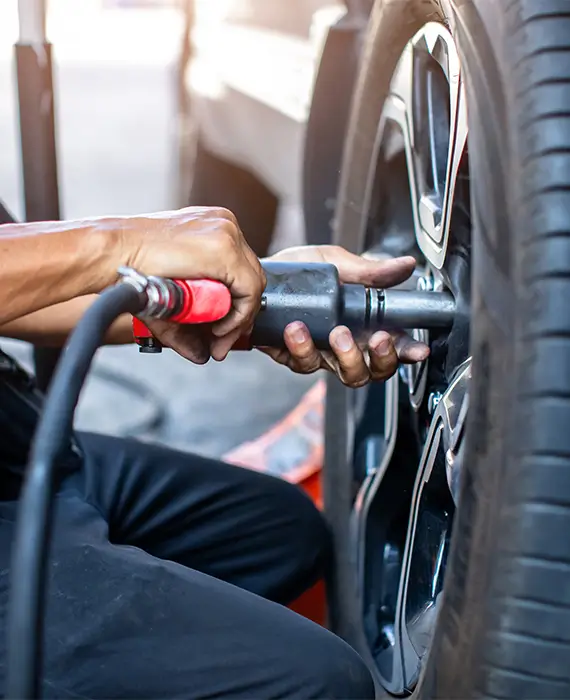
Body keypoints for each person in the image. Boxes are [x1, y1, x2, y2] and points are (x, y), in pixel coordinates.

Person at [0, 205, 428, 698]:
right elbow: (89, 259)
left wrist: (260, 296)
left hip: (17, 440)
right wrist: (119, 244)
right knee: (322, 682)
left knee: (284, 535)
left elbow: (32, 280)